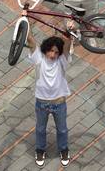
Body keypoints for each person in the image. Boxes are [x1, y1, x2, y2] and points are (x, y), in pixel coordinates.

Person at [26, 19, 73, 168]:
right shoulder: (39, 58)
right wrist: (26, 19)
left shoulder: (62, 61)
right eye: (51, 51)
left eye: (56, 52)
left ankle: (64, 150)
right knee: (40, 129)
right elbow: (30, 39)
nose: (53, 55)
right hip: (42, 103)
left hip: (59, 103)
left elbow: (66, 45)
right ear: (45, 49)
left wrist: (68, 30)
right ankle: (40, 150)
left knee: (62, 129)